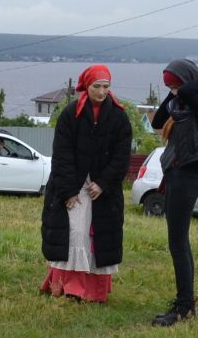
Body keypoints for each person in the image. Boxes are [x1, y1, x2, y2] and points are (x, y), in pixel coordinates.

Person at [38, 64, 132, 303]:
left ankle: (93, 291)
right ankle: (69, 287)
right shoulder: (71, 114)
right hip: (73, 184)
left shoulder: (119, 117)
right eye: (96, 86)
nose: (101, 92)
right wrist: (68, 191)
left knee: (96, 238)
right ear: (87, 87)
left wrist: (103, 184)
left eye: (106, 87)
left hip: (103, 189)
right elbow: (62, 154)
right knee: (75, 234)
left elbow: (122, 157)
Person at [150, 59, 198, 324]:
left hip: (186, 176)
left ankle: (183, 308)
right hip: (176, 176)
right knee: (180, 243)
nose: (174, 91)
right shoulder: (179, 101)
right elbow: (157, 119)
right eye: (169, 86)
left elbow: (192, 91)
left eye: (175, 85)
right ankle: (185, 304)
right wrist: (173, 91)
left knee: (178, 245)